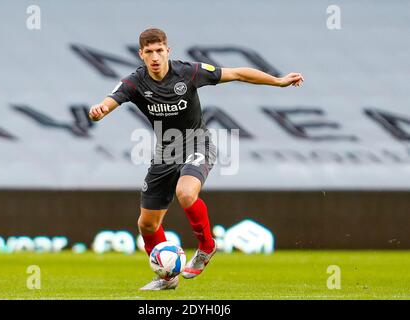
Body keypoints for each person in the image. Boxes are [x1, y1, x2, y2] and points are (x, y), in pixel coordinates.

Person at [89, 28, 304, 291]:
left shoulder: (189, 72)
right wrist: (100, 110)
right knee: (146, 224)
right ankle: (167, 278)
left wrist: (278, 81)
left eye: (159, 50)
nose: (155, 57)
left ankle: (206, 247)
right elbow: (111, 100)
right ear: (141, 55)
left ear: (168, 51)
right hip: (165, 152)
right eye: (149, 52)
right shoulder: (135, 82)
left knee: (186, 193)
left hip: (197, 142)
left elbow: (236, 73)